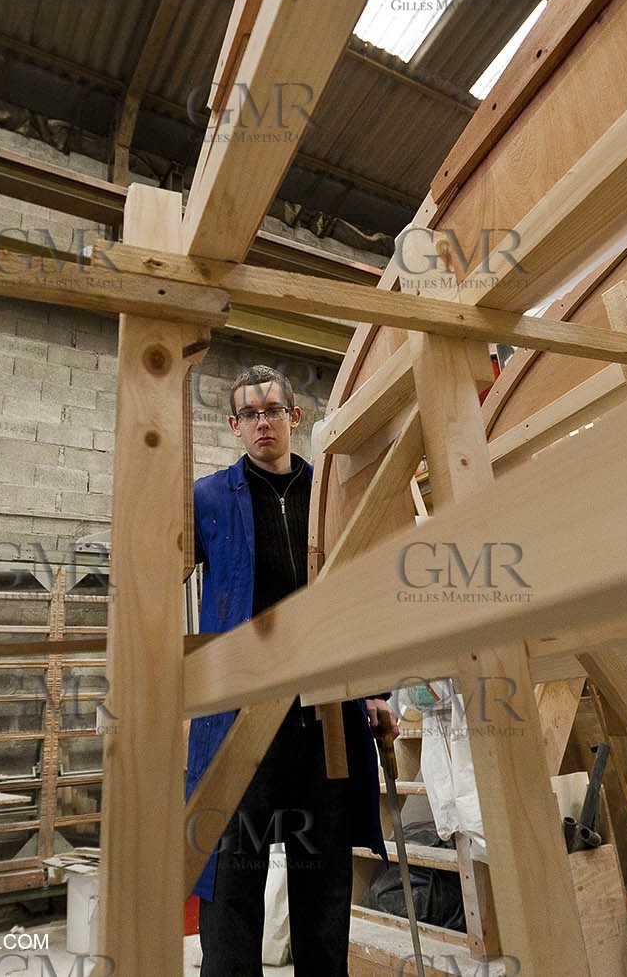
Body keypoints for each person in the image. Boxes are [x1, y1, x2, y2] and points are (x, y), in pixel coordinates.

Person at [188, 364, 397, 976]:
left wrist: (376, 691)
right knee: (234, 870)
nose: (263, 423)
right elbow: (160, 569)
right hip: (240, 711)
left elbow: (364, 592)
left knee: (323, 870)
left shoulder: (330, 495)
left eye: (273, 411)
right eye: (250, 415)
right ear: (235, 426)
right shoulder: (207, 499)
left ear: (294, 418)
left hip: (323, 709)